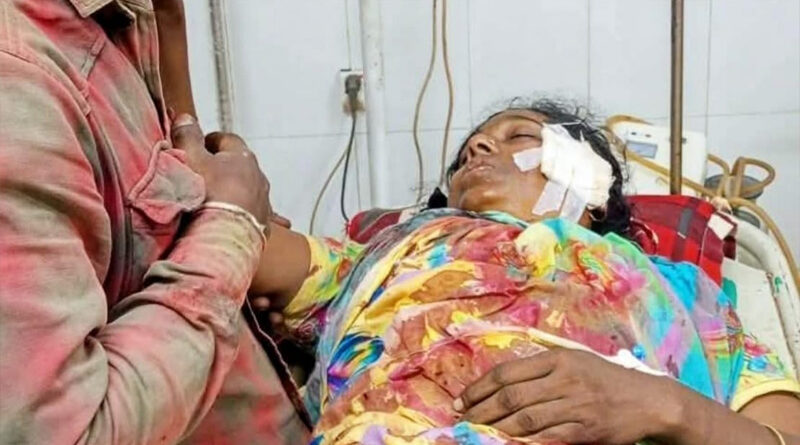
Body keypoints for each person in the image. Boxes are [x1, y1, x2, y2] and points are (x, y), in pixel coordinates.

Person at [250, 99, 800, 444]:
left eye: (519, 136)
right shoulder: (390, 251)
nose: (477, 146)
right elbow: (242, 238)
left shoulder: (681, 297)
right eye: (464, 155)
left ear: (591, 176)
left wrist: (664, 406)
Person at [0, 1, 309, 443]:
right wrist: (230, 229)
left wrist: (222, 236)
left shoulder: (115, 18)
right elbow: (69, 431)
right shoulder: (18, 82)